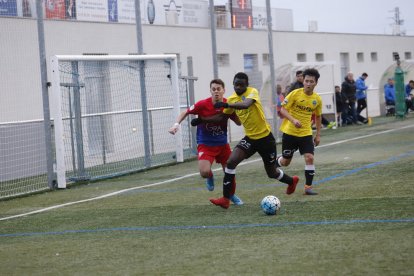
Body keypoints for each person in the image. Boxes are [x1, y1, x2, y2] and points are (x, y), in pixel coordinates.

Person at [197, 72, 299, 209]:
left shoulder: (252, 92)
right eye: (236, 85)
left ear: (246, 85)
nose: (238, 87)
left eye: (241, 85)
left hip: (265, 139)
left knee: (271, 172)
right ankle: (226, 199)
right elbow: (221, 117)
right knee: (231, 162)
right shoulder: (232, 99)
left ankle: (291, 181)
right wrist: (202, 120)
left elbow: (246, 104)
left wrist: (227, 106)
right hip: (250, 139)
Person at [168, 79, 244, 205]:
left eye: (218, 89)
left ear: (224, 90)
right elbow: (185, 113)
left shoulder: (228, 104)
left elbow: (238, 122)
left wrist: (233, 112)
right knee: (204, 172)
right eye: (213, 89)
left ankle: (231, 195)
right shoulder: (202, 104)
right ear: (210, 91)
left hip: (222, 145)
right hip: (206, 144)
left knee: (229, 172)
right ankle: (210, 176)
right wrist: (176, 125)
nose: (216, 92)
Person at [277, 68, 322, 195]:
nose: (308, 83)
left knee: (309, 157)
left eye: (311, 81)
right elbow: (282, 110)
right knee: (286, 162)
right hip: (290, 132)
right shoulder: (295, 93)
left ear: (315, 83)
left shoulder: (317, 99)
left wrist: (318, 135)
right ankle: (274, 164)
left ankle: (308, 188)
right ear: (303, 81)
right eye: (306, 81)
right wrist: (293, 120)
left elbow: (318, 117)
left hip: (306, 133)